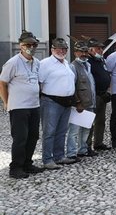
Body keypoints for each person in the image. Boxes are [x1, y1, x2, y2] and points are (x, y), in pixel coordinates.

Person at [0, 31, 44, 178]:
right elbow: (3, 83)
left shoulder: (37, 63)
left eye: (33, 45)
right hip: (19, 107)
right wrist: (6, 102)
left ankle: (27, 163)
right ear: (21, 45)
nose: (30, 47)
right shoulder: (13, 63)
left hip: (34, 105)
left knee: (33, 136)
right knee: (20, 138)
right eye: (27, 45)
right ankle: (16, 167)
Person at [39, 37, 76, 168]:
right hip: (51, 101)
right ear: (52, 49)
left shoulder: (66, 63)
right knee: (49, 132)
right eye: (59, 48)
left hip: (66, 102)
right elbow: (39, 82)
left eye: (64, 48)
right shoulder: (45, 63)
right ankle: (47, 159)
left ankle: (59, 156)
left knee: (61, 131)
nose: (62, 51)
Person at [66, 40, 97, 159]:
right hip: (80, 105)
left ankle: (82, 150)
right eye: (81, 51)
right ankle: (71, 153)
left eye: (85, 51)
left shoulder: (88, 65)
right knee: (74, 130)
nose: (84, 54)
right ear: (75, 53)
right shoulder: (73, 66)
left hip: (89, 102)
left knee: (86, 128)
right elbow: (72, 86)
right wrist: (77, 102)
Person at [86, 37, 112, 151]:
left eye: (101, 48)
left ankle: (98, 142)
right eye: (98, 48)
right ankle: (86, 145)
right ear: (90, 50)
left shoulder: (101, 60)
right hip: (93, 95)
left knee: (101, 120)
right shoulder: (88, 62)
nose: (100, 50)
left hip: (102, 94)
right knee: (89, 121)